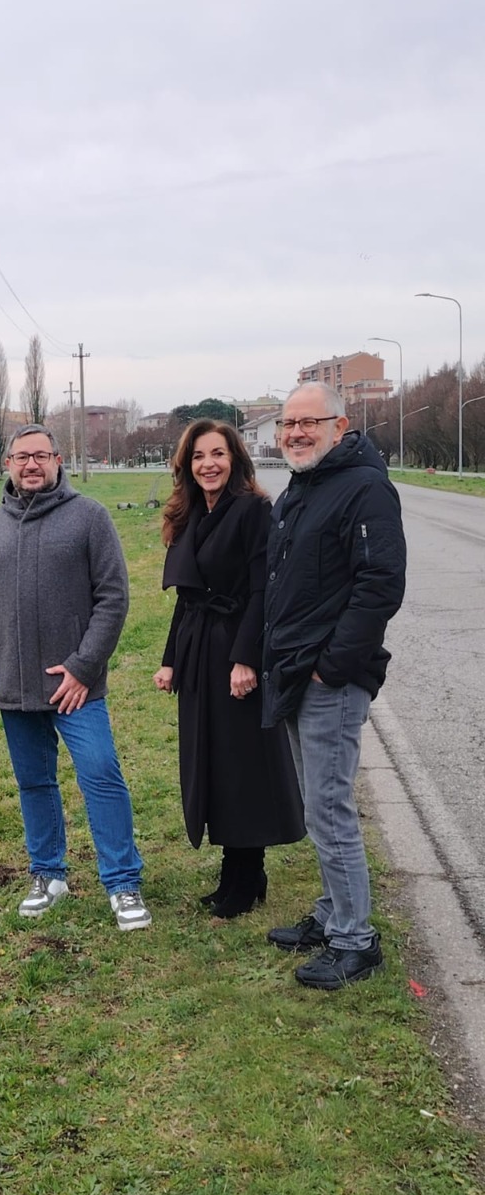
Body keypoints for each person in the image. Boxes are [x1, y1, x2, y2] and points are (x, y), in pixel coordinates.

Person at [0, 423, 151, 931]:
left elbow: (114, 598)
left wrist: (84, 667)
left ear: (58, 460)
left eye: (41, 456)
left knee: (101, 775)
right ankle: (49, 874)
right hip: (13, 685)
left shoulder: (89, 517)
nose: (31, 465)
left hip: (76, 687)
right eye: (22, 457)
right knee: (34, 783)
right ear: (7, 464)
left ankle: (123, 882)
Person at [263, 382, 406, 989]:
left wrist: (332, 666)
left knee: (328, 806)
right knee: (315, 802)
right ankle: (331, 913)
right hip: (297, 668)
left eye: (308, 423)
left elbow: (381, 585)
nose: (295, 432)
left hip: (328, 675)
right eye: (288, 423)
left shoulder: (366, 487)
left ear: (339, 426)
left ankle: (356, 940)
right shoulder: (308, 483)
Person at [153, 420, 304, 917]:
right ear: (187, 465)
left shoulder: (255, 511)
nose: (208, 464)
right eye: (198, 456)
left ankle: (249, 872)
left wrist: (246, 658)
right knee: (212, 761)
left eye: (217, 454)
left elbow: (264, 589)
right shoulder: (192, 511)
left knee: (243, 766)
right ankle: (232, 872)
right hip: (199, 651)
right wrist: (170, 661)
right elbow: (189, 597)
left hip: (238, 650)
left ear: (235, 459)